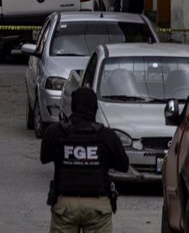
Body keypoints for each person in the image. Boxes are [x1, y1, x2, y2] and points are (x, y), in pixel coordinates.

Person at [41, 88, 129, 233]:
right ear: (94, 109)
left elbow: (44, 158)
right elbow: (123, 165)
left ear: (73, 107)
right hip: (97, 207)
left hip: (65, 206)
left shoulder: (56, 132)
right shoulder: (107, 136)